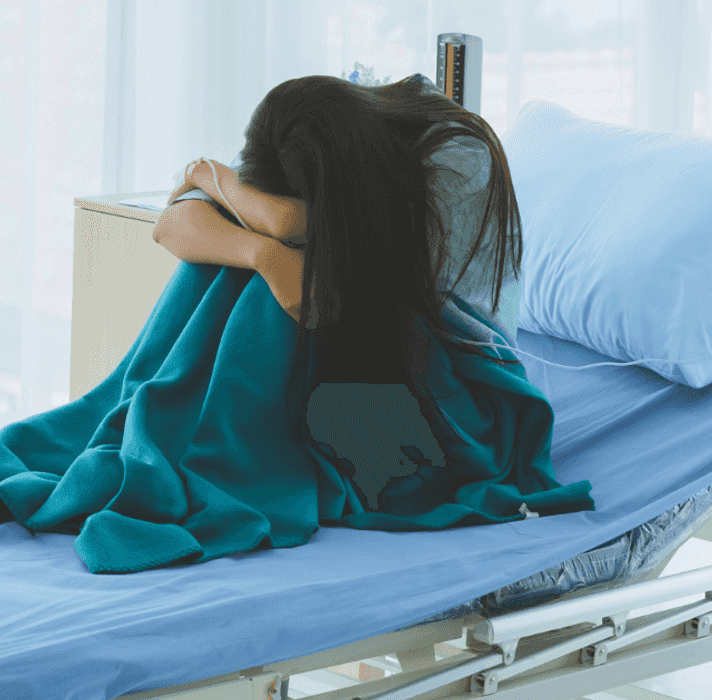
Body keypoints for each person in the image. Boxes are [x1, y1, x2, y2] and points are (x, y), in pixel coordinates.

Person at [151, 72, 524, 509]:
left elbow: (347, 280)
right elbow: (172, 226)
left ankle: (233, 451)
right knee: (235, 263)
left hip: (447, 371)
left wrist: (229, 190)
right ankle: (206, 438)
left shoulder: (456, 159)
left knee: (275, 272)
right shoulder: (296, 140)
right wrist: (264, 251)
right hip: (356, 337)